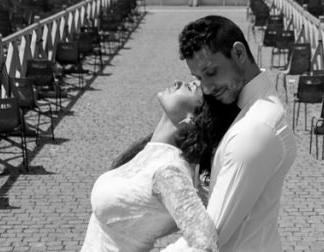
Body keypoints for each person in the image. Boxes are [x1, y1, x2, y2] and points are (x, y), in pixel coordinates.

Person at [162, 16, 296, 252]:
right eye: (199, 78)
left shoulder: (255, 128)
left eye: (211, 72)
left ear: (239, 54)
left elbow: (208, 237)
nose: (206, 88)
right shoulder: (243, 110)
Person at [81, 80, 238, 251]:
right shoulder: (150, 153)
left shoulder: (169, 170)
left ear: (192, 119)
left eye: (191, 87)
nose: (179, 82)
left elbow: (204, 241)